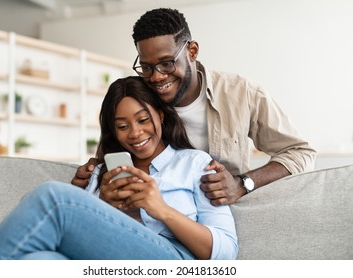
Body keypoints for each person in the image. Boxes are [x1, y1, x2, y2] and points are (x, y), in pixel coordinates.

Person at [0, 76, 238, 260]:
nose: (135, 133)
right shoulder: (103, 173)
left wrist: (161, 209)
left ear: (160, 114)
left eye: (143, 120)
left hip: (174, 260)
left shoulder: (196, 164)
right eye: (122, 126)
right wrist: (108, 207)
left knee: (53, 198)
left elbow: (226, 252)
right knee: (36, 261)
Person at [71, 8, 317, 205]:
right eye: (146, 67)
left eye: (167, 63)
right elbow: (112, 155)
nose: (156, 77)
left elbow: (300, 153)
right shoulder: (139, 97)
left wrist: (243, 183)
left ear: (192, 50)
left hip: (217, 217)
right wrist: (93, 173)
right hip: (154, 218)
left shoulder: (241, 93)